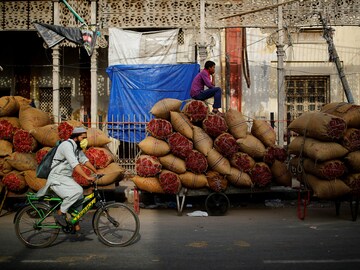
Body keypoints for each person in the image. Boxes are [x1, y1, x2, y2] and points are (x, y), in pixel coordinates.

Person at [36, 126, 97, 232]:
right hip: (57, 178)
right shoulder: (66, 146)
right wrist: (87, 176)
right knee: (77, 191)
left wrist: (96, 171)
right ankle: (61, 213)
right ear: (76, 137)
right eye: (83, 138)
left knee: (79, 197)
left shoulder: (76, 148)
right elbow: (75, 164)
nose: (84, 141)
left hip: (65, 178)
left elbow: (84, 160)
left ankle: (74, 222)